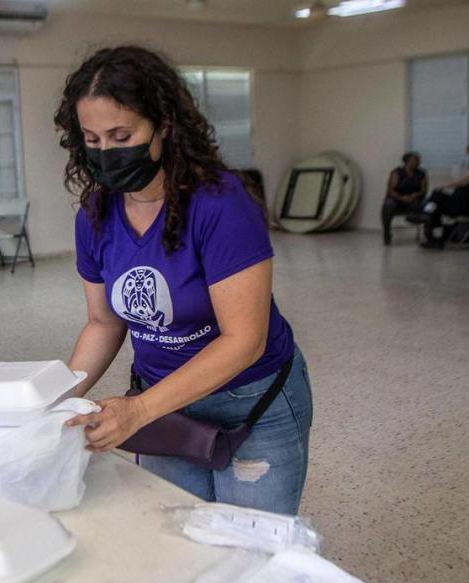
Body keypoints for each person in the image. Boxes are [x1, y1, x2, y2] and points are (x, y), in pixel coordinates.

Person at [55, 46, 313, 515]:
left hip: (251, 402)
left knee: (249, 551)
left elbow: (244, 341)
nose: (106, 154)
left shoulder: (220, 203)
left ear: (164, 127)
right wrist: (55, 396)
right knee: (179, 543)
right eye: (92, 140)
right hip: (166, 403)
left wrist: (138, 411)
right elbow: (104, 323)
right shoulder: (95, 215)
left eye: (121, 135)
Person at [419, 143, 469, 249]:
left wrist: (444, 186)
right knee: (436, 205)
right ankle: (429, 219)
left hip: (467, 206)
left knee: (436, 194)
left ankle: (426, 214)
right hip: (467, 203)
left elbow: (464, 182)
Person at [380, 151, 427, 245]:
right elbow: (391, 190)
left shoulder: (421, 173)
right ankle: (387, 233)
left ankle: (427, 234)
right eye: (415, 160)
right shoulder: (397, 172)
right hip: (397, 199)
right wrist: (402, 198)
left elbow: (424, 190)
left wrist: (415, 195)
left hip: (414, 199)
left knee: (427, 204)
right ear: (407, 161)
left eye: (419, 160)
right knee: (388, 205)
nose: (418, 162)